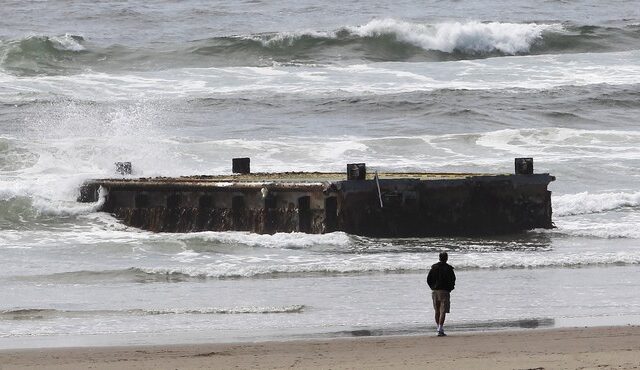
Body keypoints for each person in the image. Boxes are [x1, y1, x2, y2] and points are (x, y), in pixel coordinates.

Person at [427, 252, 456, 337]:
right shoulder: (449, 268)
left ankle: (438, 328)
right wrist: (450, 288)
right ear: (446, 258)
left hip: (435, 290)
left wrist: (432, 287)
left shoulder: (434, 267)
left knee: (437, 310)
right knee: (443, 311)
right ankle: (440, 328)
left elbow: (429, 279)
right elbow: (453, 279)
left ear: (439, 258)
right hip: (445, 291)